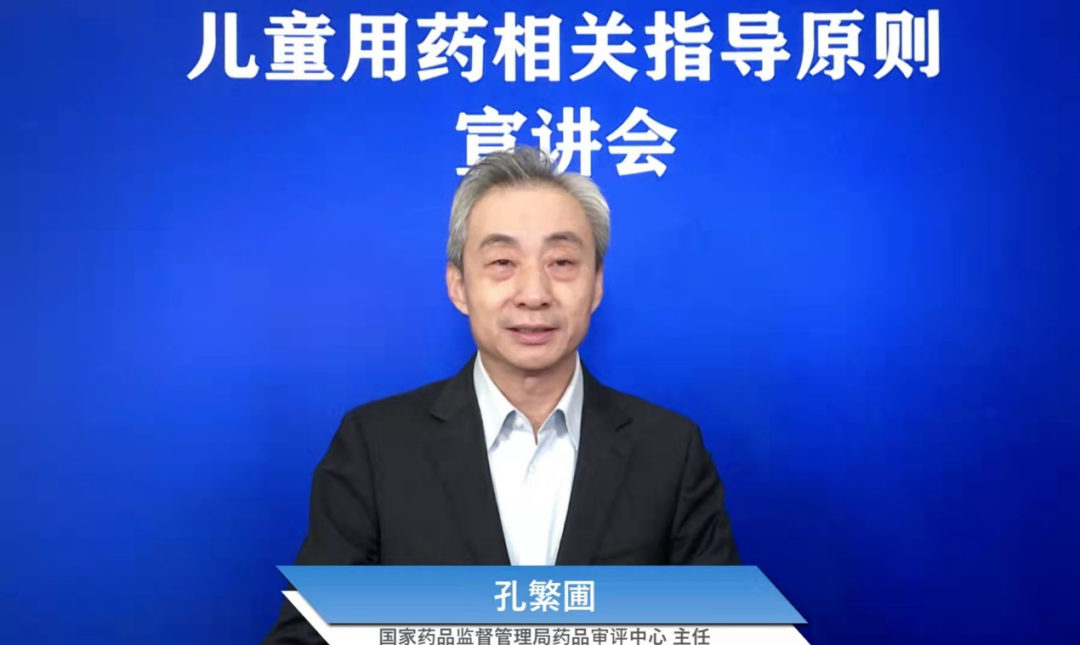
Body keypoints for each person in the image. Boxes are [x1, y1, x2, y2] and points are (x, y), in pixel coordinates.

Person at [263, 147, 739, 644]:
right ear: (458, 286)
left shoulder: (670, 451)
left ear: (596, 284)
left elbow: (722, 634)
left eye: (561, 262)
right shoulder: (375, 447)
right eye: (503, 262)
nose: (533, 293)